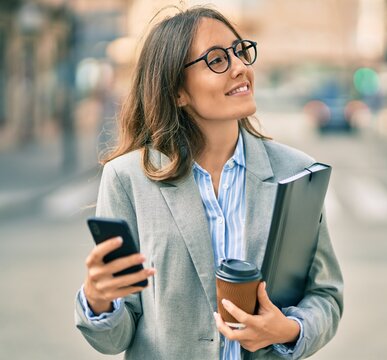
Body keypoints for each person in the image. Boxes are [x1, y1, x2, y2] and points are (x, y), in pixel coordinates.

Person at [74, 6, 344, 360]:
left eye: (240, 51)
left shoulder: (297, 172)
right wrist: (98, 301)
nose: (240, 68)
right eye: (216, 60)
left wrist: (290, 330)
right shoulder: (128, 178)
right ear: (177, 92)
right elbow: (115, 339)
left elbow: (325, 296)